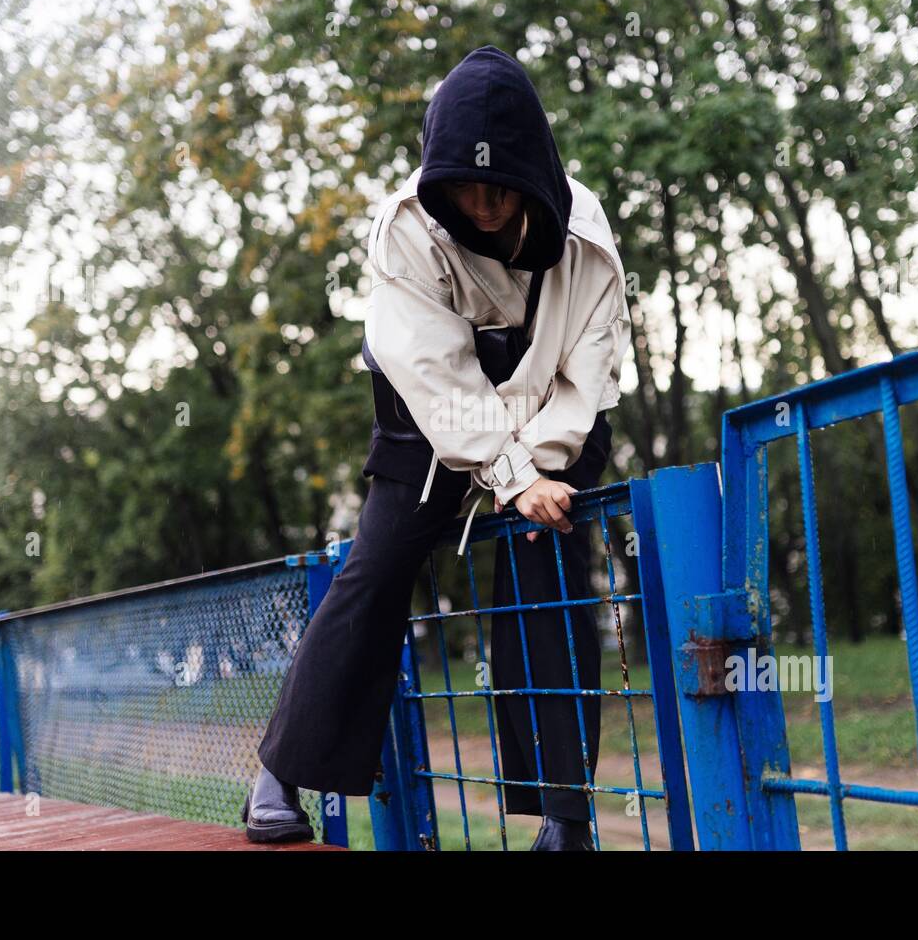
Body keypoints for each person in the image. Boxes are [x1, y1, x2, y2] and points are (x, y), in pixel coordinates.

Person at [244, 44, 630, 851]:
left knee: (545, 561)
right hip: (430, 415)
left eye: (501, 186)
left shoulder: (588, 237)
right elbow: (431, 371)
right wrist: (502, 466)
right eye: (465, 186)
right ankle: (281, 772)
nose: (483, 204)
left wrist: (531, 475)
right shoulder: (404, 230)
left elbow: (588, 373)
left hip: (552, 413)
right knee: (379, 566)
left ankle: (567, 820)